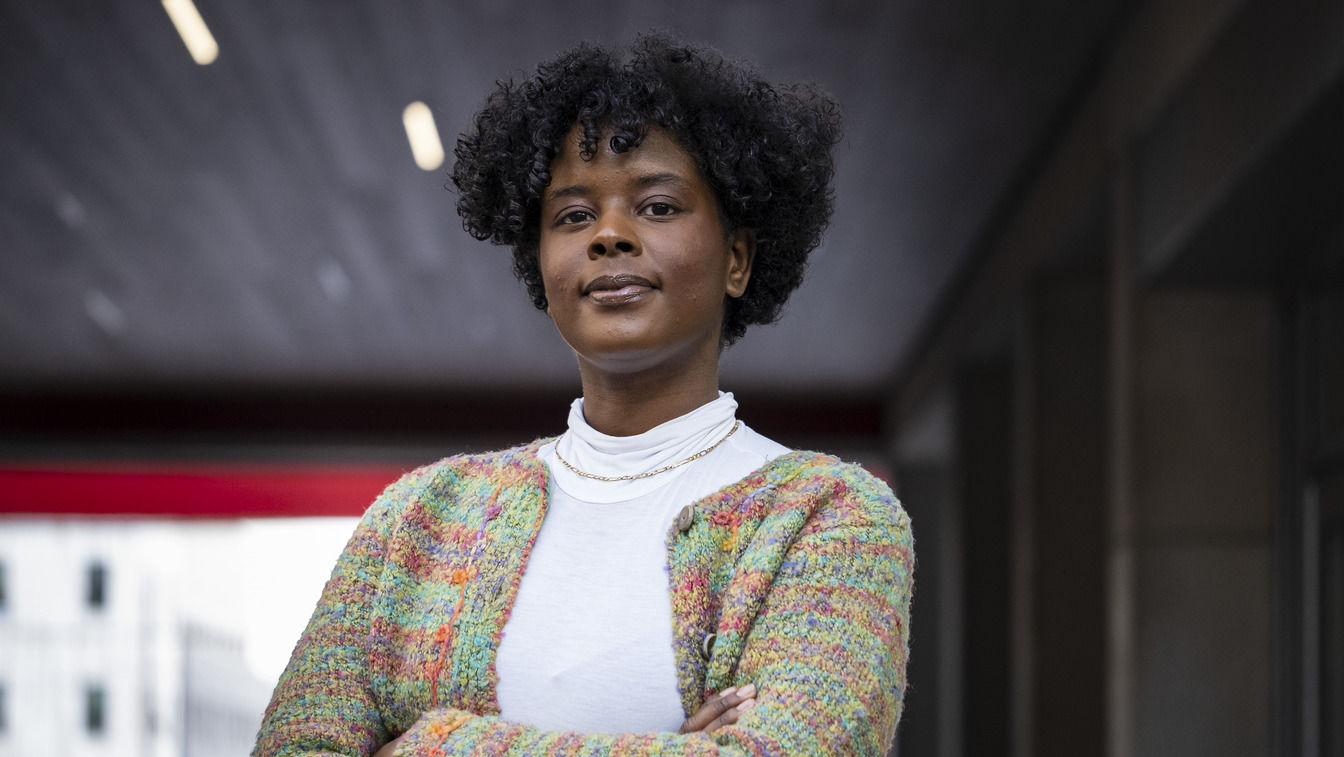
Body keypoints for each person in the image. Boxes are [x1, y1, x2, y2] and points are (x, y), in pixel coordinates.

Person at [252, 33, 913, 757]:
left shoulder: (830, 517)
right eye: (572, 215)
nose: (608, 235)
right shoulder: (416, 520)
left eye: (657, 206)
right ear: (542, 264)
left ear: (737, 257)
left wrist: (432, 742)